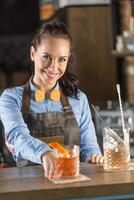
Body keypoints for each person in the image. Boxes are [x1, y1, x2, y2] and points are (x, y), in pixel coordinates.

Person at [0, 20, 103, 178]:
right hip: (25, 187)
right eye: (47, 57)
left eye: (61, 59)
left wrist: (93, 157)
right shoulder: (11, 99)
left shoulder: (79, 99)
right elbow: (18, 138)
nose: (53, 67)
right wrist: (44, 153)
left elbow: (89, 147)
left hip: (71, 183)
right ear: (33, 54)